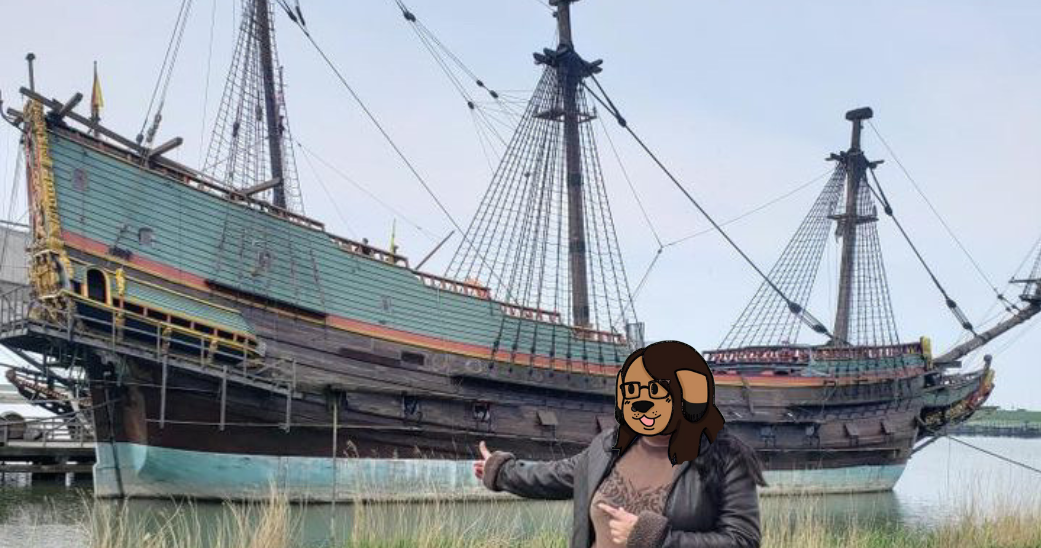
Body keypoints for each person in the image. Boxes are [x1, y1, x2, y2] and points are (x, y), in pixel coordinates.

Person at [474, 340, 766, 547]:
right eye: (633, 391)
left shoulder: (724, 458)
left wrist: (655, 538)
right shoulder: (609, 447)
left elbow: (743, 540)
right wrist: (500, 471)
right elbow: (555, 475)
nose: (641, 402)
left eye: (656, 391)